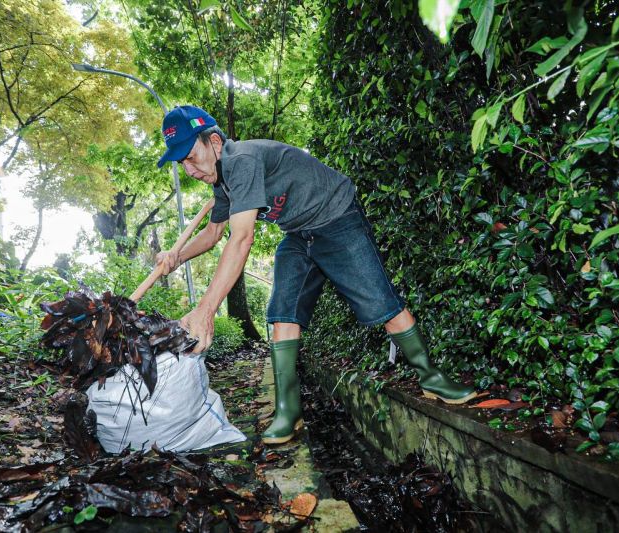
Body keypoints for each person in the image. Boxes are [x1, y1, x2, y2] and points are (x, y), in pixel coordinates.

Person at [155, 105, 477, 445]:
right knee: (283, 312)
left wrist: (207, 310)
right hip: (300, 233)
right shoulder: (223, 183)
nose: (189, 169)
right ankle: (288, 410)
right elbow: (213, 233)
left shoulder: (241, 160)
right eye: (182, 163)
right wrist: (177, 256)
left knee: (381, 303)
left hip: (337, 219)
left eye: (191, 156)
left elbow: (241, 238)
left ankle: (431, 376)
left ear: (215, 142)